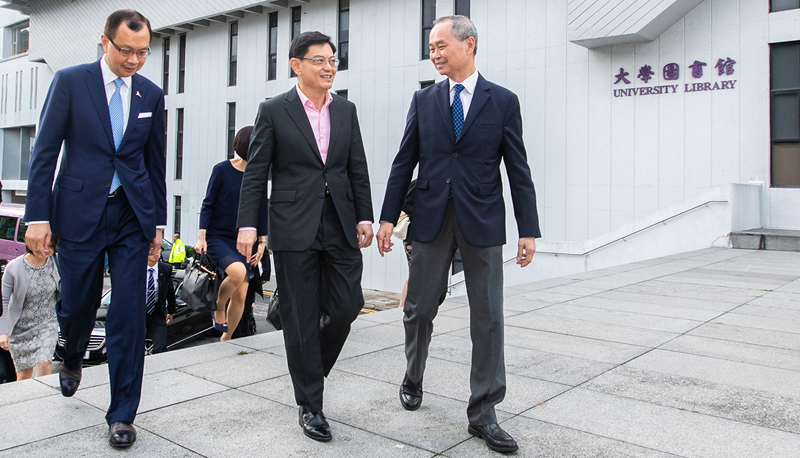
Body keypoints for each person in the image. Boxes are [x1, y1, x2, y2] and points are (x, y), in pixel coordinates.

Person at [376, 16, 541, 454]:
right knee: (417, 309)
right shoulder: (423, 99)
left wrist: (529, 229)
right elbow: (403, 160)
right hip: (430, 217)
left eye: (441, 45)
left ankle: (483, 412)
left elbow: (518, 169)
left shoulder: (502, 101)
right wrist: (388, 218)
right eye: (431, 46)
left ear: (468, 45)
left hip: (482, 219)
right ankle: (414, 376)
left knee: (488, 318)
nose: (434, 53)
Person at [23, 10, 165, 448]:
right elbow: (45, 151)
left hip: (130, 217)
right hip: (79, 211)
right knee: (76, 306)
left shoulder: (151, 95)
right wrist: (37, 216)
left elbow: (154, 165)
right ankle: (72, 353)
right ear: (104, 42)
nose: (134, 60)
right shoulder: (70, 82)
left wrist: (157, 225)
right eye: (126, 50)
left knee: (127, 313)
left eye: (142, 53)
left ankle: (122, 413)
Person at [236, 31, 373, 443]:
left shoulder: (346, 110)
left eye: (333, 59)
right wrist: (248, 224)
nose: (330, 66)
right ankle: (311, 404)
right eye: (320, 60)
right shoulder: (274, 110)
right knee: (300, 318)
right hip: (293, 224)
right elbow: (256, 171)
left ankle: (310, 370)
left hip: (341, 223)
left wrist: (364, 216)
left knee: (348, 305)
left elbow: (357, 168)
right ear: (296, 65)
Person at [196, 126, 268, 342]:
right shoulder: (221, 170)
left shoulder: (258, 176)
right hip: (218, 237)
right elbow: (207, 204)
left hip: (244, 242)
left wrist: (263, 243)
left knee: (241, 295)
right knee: (236, 273)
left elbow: (262, 210)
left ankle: (226, 340)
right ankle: (218, 306)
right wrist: (202, 236)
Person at [0, 237, 60, 380]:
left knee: (44, 363)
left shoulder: (57, 263)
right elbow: (3, 300)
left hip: (47, 324)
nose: (47, 250)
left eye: (51, 247)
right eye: (43, 246)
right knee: (23, 375)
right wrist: (2, 332)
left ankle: (42, 401)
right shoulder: (14, 267)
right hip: (19, 329)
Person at [144, 252, 176, 354]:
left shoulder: (165, 268)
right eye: (153, 251)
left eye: (158, 250)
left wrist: (171, 311)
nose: (156, 253)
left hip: (156, 311)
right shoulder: (136, 266)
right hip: (138, 311)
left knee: (160, 344)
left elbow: (170, 291)